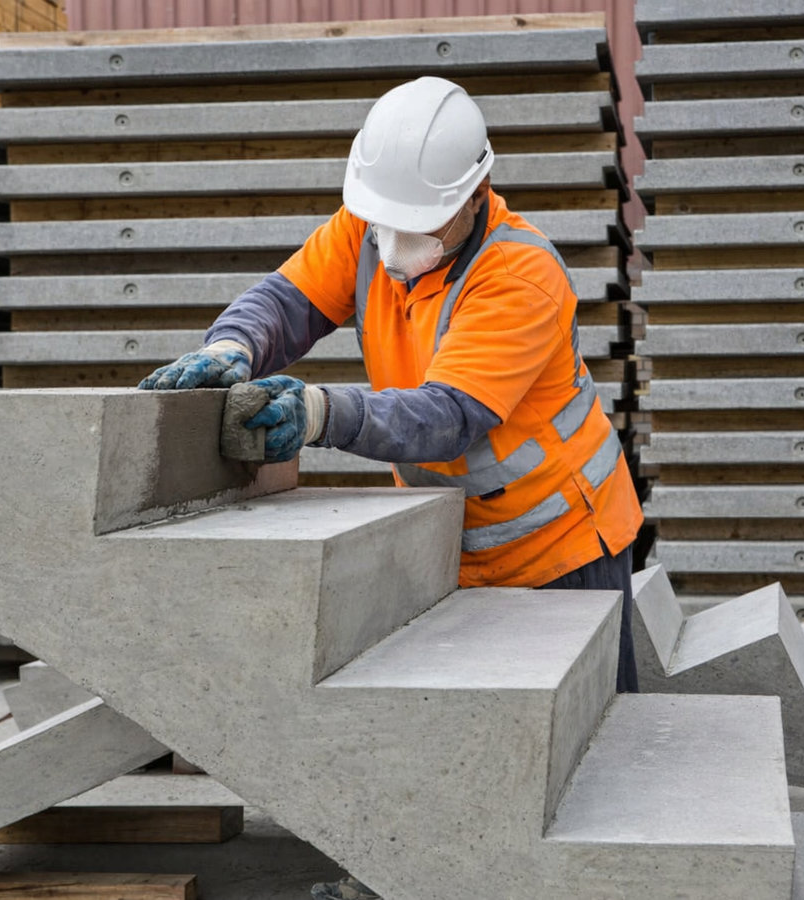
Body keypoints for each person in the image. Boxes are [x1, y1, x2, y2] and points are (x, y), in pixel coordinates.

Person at [138, 76, 644, 900]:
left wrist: (319, 414)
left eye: (416, 223)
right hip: (466, 546)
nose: (395, 239)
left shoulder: (521, 276)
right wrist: (235, 346)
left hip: (565, 550)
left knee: (597, 784)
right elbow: (288, 302)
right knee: (471, 747)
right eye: (386, 221)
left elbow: (447, 417)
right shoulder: (374, 226)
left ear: (475, 193)